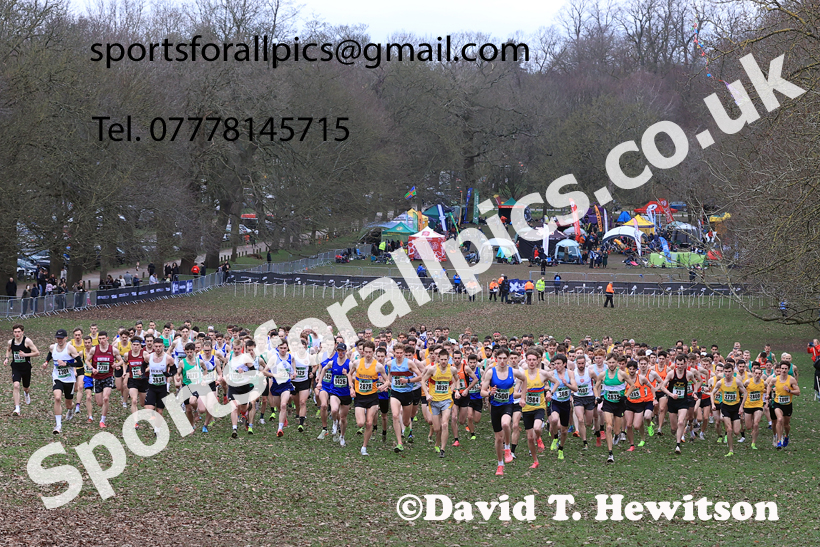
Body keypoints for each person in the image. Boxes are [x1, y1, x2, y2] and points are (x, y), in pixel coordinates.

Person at [350, 341, 389, 456]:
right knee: (360, 423)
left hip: (372, 397)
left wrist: (383, 386)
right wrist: (351, 388)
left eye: (370, 352)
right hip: (359, 397)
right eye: (366, 352)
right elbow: (349, 374)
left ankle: (364, 447)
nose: (367, 354)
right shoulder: (357, 363)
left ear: (373, 352)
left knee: (369, 423)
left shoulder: (378, 366)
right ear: (362, 352)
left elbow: (387, 380)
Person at [481, 348, 515, 475]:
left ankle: (508, 448)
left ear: (508, 359)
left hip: (508, 404)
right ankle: (500, 464)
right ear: (496, 359)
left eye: (504, 358)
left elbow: (524, 379)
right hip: (495, 406)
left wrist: (522, 397)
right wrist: (490, 393)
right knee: (498, 438)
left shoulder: (512, 371)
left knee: (505, 424)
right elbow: (482, 392)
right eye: (500, 358)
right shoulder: (491, 372)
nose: (502, 361)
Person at [421, 348, 459, 458]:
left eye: (445, 359)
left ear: (448, 359)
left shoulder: (452, 369)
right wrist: (427, 394)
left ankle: (442, 449)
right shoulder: (432, 369)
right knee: (437, 428)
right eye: (441, 359)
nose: (443, 361)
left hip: (446, 400)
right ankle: (437, 443)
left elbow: (457, 379)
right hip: (434, 401)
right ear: (438, 359)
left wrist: (456, 390)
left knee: (445, 424)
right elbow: (423, 380)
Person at [41, 329, 82, 434]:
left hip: (69, 379)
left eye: (61, 338)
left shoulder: (70, 348)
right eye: (58, 338)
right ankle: (58, 425)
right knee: (57, 398)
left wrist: (67, 364)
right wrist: (46, 362)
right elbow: (50, 354)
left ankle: (70, 410)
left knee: (68, 404)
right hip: (57, 377)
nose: (59, 340)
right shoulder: (52, 347)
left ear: (66, 338)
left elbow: (80, 363)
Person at [89, 331, 123, 429]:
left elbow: (121, 360)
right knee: (99, 403)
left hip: (108, 377)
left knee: (106, 398)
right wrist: (92, 368)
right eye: (100, 339)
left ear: (107, 338)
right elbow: (87, 360)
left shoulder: (113, 350)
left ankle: (102, 420)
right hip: (97, 378)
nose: (101, 340)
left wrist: (116, 364)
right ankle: (103, 411)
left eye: (103, 338)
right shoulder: (94, 349)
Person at [5, 324, 40, 416]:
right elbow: (8, 350)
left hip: (26, 368)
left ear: (22, 332)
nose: (17, 334)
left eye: (19, 332)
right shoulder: (11, 342)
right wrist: (7, 358)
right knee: (16, 385)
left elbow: (37, 353)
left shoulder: (27, 341)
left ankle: (26, 394)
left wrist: (25, 355)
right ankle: (17, 408)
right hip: (16, 367)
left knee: (26, 387)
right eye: (15, 332)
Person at [767, 361, 800, 449]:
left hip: (787, 405)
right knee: (779, 419)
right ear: (780, 369)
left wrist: (789, 391)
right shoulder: (775, 379)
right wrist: (768, 394)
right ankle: (779, 440)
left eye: (786, 369)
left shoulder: (791, 380)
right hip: (778, 403)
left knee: (786, 425)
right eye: (782, 368)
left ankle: (786, 436)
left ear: (788, 369)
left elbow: (798, 392)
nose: (784, 370)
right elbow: (769, 385)